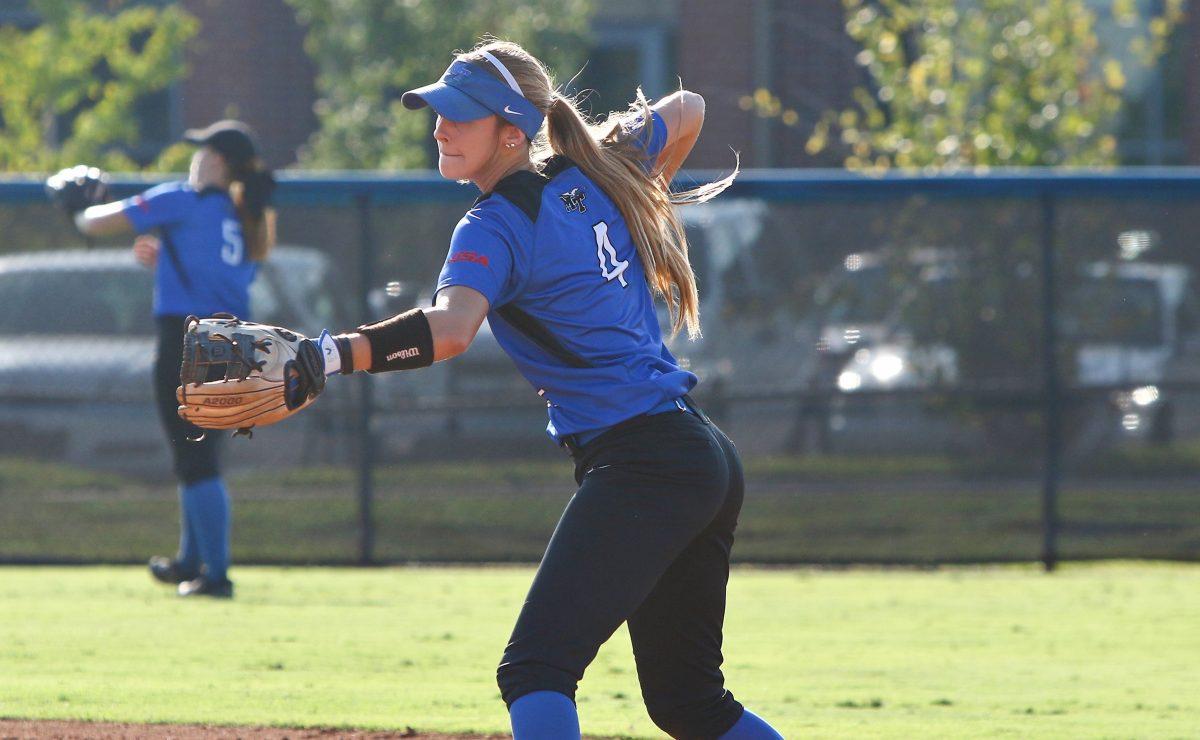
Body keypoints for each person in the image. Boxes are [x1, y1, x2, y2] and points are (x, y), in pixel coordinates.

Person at [274, 40, 781, 739]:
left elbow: (451, 330)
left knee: (535, 671)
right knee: (690, 704)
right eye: (438, 113)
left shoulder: (494, 224)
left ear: (511, 132)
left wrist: (330, 354)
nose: (441, 127)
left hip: (646, 461)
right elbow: (688, 108)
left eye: (461, 116)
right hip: (698, 456)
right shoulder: (596, 173)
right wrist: (617, 164)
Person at [72, 120, 276, 599]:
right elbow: (213, 270)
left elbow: (96, 223)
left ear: (219, 161)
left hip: (189, 342)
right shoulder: (250, 214)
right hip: (235, 342)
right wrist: (167, 257)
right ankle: (192, 559)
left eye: (203, 150)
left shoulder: (183, 199)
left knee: (195, 460)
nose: (195, 158)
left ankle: (217, 575)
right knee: (200, 456)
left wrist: (78, 205)